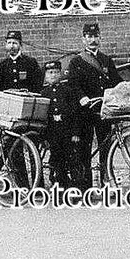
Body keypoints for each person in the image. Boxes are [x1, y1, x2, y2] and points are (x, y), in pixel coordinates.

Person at [65, 22, 121, 190]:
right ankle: (85, 186)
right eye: (89, 37)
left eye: (96, 36)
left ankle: (106, 182)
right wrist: (82, 97)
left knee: (106, 147)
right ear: (83, 39)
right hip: (85, 111)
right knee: (84, 148)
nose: (93, 40)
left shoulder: (106, 60)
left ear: (100, 38)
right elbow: (73, 84)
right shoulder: (76, 61)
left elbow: (116, 82)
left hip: (104, 110)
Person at [39, 60, 77, 188]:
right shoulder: (43, 94)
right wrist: (44, 138)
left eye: (56, 72)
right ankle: (61, 186)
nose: (53, 75)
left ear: (60, 74)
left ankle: (75, 188)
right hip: (52, 133)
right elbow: (42, 117)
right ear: (45, 76)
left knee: (71, 160)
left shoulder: (67, 91)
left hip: (67, 131)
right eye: (50, 73)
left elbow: (74, 112)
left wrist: (75, 133)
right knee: (56, 160)